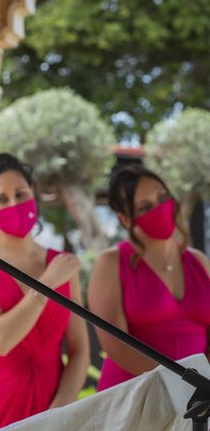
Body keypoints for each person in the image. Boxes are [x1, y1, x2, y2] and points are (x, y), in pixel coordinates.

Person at [0, 153, 89, 430]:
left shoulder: (62, 264)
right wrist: (47, 284)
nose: (14, 204)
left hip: (55, 413)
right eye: (2, 199)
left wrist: (57, 415)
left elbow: (79, 350)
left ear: (34, 195)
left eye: (21, 194)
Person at [88, 164, 210, 391]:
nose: (160, 208)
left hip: (198, 402)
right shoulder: (111, 263)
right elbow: (117, 347)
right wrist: (181, 384)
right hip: (137, 397)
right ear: (125, 219)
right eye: (145, 207)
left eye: (162, 197)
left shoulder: (200, 262)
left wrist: (201, 386)